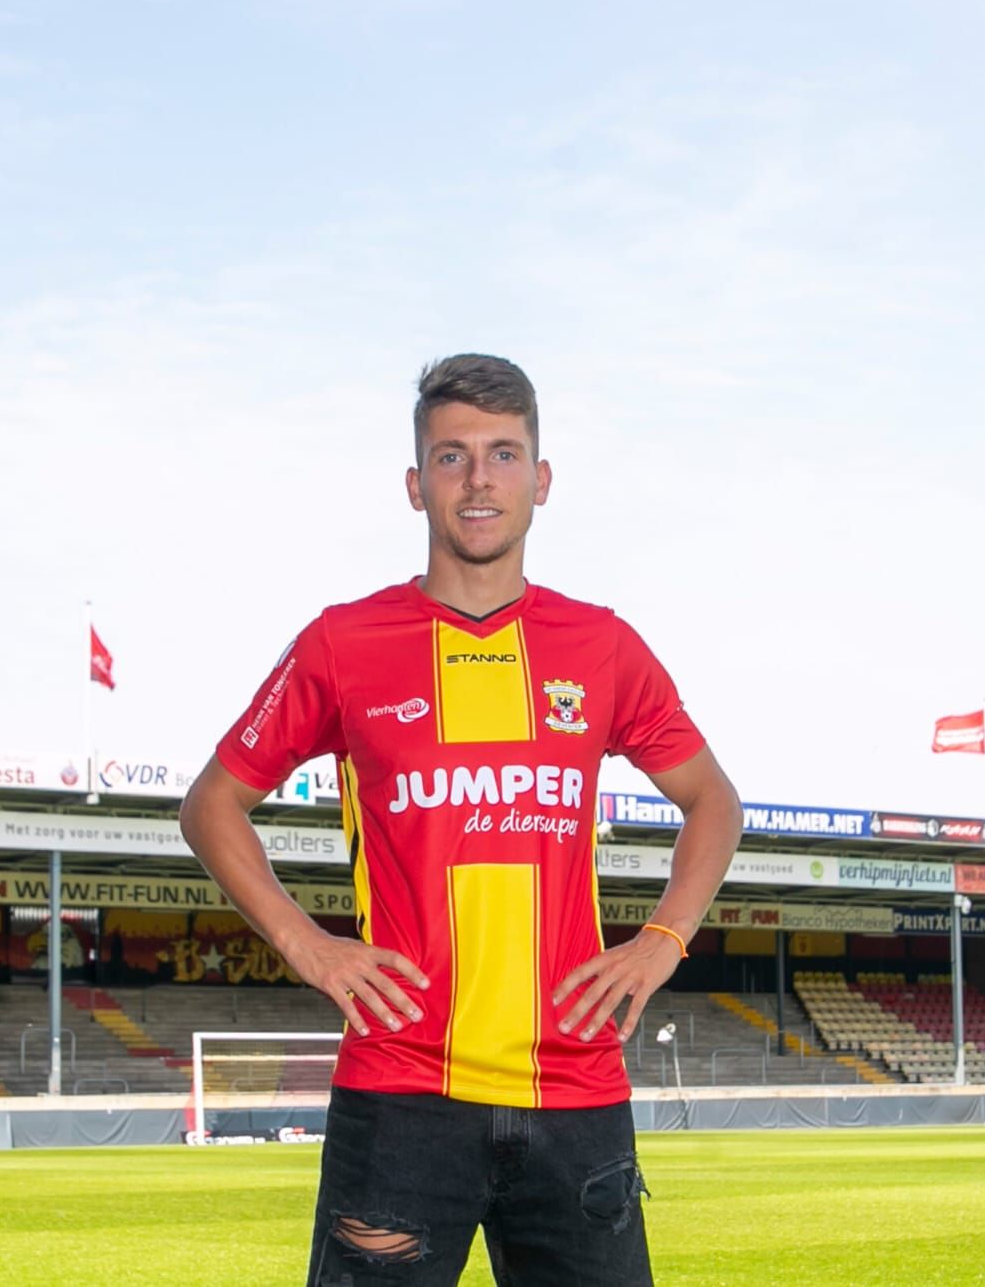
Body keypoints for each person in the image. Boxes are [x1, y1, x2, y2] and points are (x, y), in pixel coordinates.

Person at [179, 354, 741, 1285]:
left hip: (576, 1092)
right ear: (415, 484)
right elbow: (212, 803)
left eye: (504, 454)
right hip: (401, 1100)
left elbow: (713, 800)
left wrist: (664, 939)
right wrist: (306, 945)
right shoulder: (343, 642)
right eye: (452, 456)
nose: (479, 479)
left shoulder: (601, 644)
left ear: (542, 480)